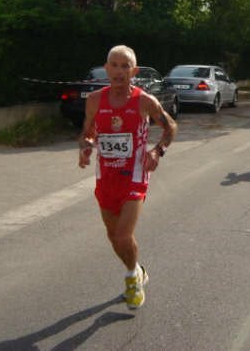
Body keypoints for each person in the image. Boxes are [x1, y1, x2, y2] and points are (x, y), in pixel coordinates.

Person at [78, 45, 177, 309]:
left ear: (133, 71)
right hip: (106, 177)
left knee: (123, 235)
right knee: (113, 237)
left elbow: (171, 127)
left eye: (125, 66)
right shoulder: (95, 100)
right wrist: (86, 147)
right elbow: (87, 132)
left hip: (134, 176)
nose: (119, 71)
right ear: (106, 68)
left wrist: (157, 151)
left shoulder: (145, 101)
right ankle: (138, 271)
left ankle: (132, 278)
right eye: (114, 65)